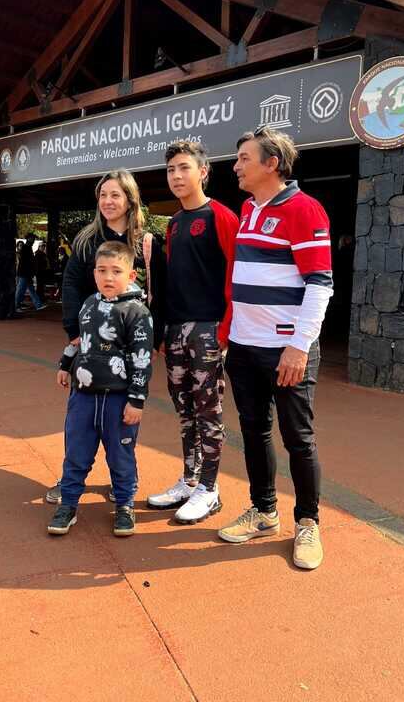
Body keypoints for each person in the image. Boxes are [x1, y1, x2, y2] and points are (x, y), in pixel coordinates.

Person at [217, 127, 333, 571]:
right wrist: (231, 338)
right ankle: (264, 510)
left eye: (244, 158)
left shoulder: (305, 209)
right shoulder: (248, 208)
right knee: (253, 431)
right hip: (245, 349)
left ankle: (308, 522)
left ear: (272, 164)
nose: (236, 166)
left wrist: (298, 347)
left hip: (286, 351)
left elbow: (320, 285)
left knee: (298, 440)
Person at [45, 170, 166, 504]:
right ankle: (70, 479)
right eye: (103, 195)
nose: (108, 202)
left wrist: (156, 337)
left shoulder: (147, 241)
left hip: (131, 346)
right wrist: (73, 331)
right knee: (80, 419)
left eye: (115, 195)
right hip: (90, 346)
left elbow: (161, 290)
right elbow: (71, 284)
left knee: (124, 417)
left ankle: (122, 480)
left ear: (130, 199)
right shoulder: (86, 239)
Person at [147, 140, 239, 524]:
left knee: (208, 411)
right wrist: (163, 331)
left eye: (184, 168)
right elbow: (169, 282)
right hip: (177, 330)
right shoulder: (173, 223)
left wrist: (225, 331)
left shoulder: (221, 216)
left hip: (208, 329)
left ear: (203, 171)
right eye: (171, 170)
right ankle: (189, 479)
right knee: (184, 410)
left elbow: (238, 276)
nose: (176, 176)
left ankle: (210, 489)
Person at [47, 241, 153, 537]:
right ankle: (68, 504)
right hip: (83, 396)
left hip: (118, 401)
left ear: (131, 276)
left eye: (116, 271)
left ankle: (124, 505)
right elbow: (79, 341)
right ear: (94, 274)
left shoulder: (137, 312)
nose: (108, 277)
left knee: (121, 456)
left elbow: (142, 360)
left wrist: (137, 400)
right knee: (76, 452)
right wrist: (64, 364)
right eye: (102, 271)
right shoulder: (89, 304)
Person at [15, 233, 47, 312]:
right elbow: (25, 262)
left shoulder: (28, 248)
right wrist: (31, 271)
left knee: (30, 289)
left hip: (26, 273)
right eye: (32, 238)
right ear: (28, 239)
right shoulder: (26, 248)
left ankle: (38, 305)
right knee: (21, 290)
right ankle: (16, 306)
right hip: (24, 273)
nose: (33, 240)